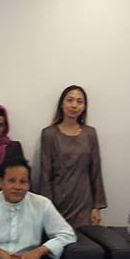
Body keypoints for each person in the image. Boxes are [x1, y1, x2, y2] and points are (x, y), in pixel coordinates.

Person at [39, 85, 107, 227]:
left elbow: (96, 171)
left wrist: (97, 207)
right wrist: (47, 209)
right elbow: (45, 175)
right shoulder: (49, 134)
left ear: (84, 106)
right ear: (62, 104)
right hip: (57, 201)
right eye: (70, 100)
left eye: (79, 101)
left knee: (84, 246)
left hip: (84, 201)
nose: (74, 105)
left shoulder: (90, 134)